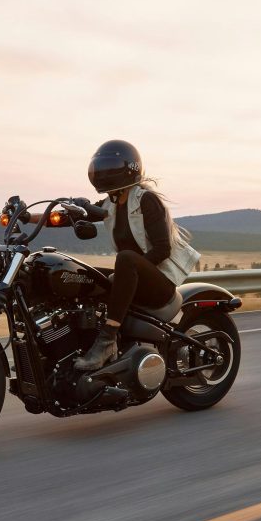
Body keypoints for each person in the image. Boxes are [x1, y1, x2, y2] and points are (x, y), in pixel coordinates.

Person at [70, 140, 201, 370]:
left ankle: (107, 340)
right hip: (137, 277)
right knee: (84, 274)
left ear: (127, 169)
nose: (103, 173)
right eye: (101, 168)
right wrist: (25, 216)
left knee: (126, 258)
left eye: (109, 168)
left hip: (160, 285)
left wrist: (134, 270)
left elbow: (163, 249)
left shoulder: (146, 200)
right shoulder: (111, 204)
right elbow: (66, 218)